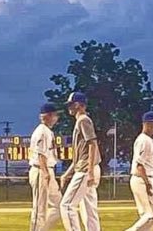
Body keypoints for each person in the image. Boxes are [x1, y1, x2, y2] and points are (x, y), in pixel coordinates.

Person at [60, 92, 101, 231]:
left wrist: (90, 171)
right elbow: (80, 155)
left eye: (71, 104)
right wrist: (67, 174)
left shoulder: (83, 120)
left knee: (67, 205)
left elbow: (92, 144)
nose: (69, 107)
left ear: (78, 104)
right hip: (87, 167)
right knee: (89, 210)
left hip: (86, 169)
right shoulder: (81, 120)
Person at [126, 111, 153, 231]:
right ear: (147, 124)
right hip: (141, 179)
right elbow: (139, 165)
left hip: (147, 178)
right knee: (148, 215)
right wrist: (147, 183)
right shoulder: (143, 140)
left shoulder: (151, 140)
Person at [29, 104, 61, 231]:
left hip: (47, 170)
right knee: (39, 208)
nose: (56, 118)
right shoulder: (42, 131)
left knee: (60, 206)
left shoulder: (47, 131)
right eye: (55, 115)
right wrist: (45, 172)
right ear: (48, 116)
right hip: (41, 170)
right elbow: (40, 154)